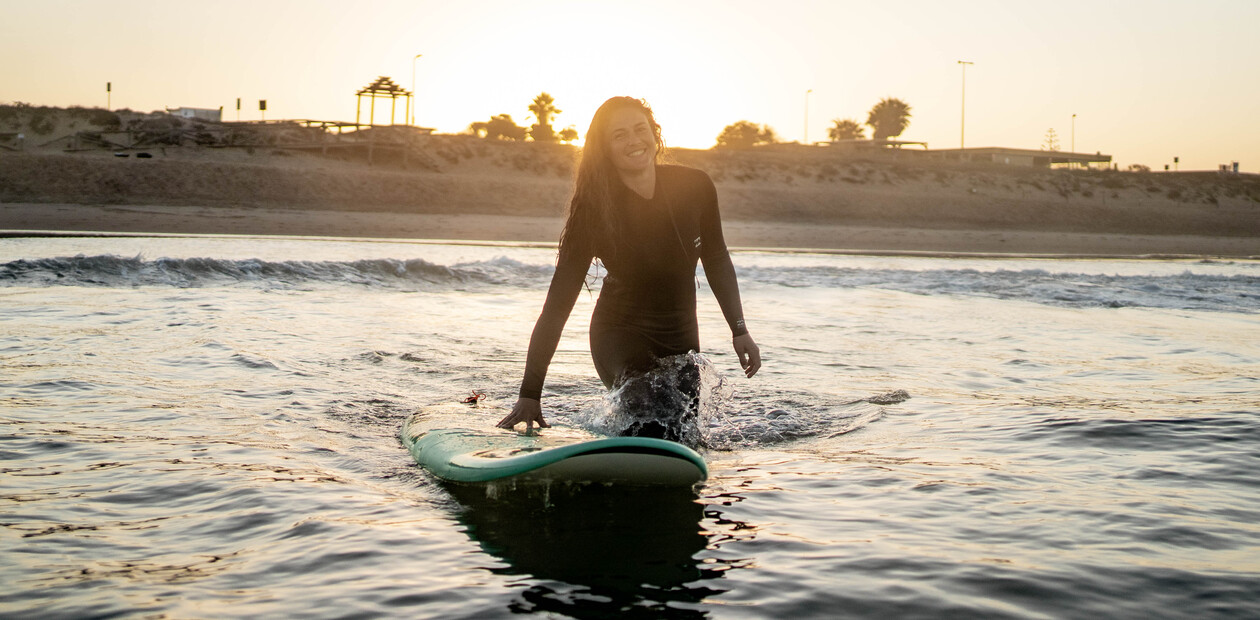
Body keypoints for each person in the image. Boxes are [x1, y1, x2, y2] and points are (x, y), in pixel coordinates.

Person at [496, 96, 760, 439]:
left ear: (655, 133)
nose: (634, 140)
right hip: (619, 335)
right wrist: (530, 393)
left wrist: (739, 329)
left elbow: (717, 257)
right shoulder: (594, 210)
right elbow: (557, 307)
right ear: (604, 148)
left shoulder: (694, 187)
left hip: (680, 337)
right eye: (619, 135)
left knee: (682, 430)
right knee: (649, 416)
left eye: (640, 129)